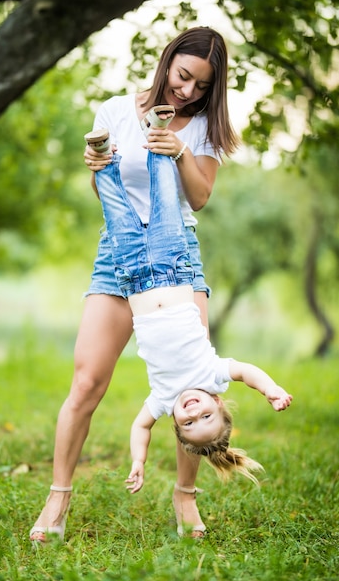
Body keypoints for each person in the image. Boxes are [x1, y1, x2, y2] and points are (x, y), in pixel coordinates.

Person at [30, 26, 241, 543]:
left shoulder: (203, 127)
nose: (188, 91)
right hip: (119, 255)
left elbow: (200, 197)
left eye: (201, 86)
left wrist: (179, 151)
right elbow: (108, 184)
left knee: (195, 381)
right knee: (87, 383)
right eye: (184, 75)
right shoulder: (115, 109)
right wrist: (93, 165)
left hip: (176, 260)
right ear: (168, 61)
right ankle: (58, 497)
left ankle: (185, 497)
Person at [89, 135, 292, 532]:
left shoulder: (163, 399)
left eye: (189, 421)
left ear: (177, 425)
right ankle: (157, 134)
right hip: (173, 265)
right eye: (206, 414)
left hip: (132, 276)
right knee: (166, 194)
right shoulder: (210, 375)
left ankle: (103, 159)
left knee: (116, 210)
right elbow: (246, 371)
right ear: (218, 402)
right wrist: (271, 390)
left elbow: (139, 426)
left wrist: (138, 461)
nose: (193, 409)